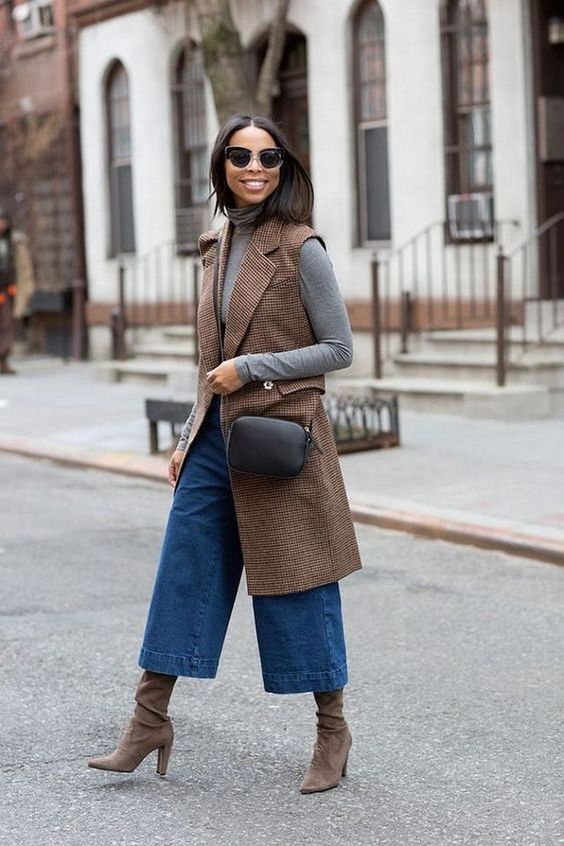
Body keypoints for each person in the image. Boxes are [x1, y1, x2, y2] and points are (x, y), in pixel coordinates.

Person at [87, 115, 363, 794]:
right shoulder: (213, 243)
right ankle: (148, 720)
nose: (254, 166)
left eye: (268, 156)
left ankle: (333, 732)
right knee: (184, 573)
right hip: (215, 439)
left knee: (298, 585)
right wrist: (187, 435)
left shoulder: (302, 247)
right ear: (222, 165)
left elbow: (340, 349)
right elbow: (207, 362)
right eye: (240, 155)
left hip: (281, 438)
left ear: (283, 166)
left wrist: (253, 367)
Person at [0, 209, 34, 375]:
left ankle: (3, 358)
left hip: (8, 290)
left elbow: (22, 267)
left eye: (3, 221)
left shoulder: (14, 241)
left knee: (7, 324)